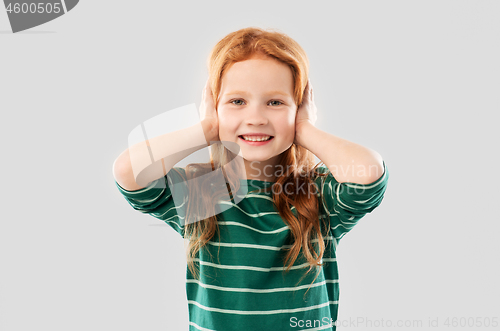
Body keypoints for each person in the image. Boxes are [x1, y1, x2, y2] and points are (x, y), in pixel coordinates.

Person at [112, 27, 389, 331]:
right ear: (214, 107)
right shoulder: (200, 192)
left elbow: (369, 173)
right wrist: (206, 129)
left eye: (275, 102)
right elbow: (129, 172)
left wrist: (305, 129)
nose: (256, 117)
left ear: (299, 110)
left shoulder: (318, 193)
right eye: (237, 101)